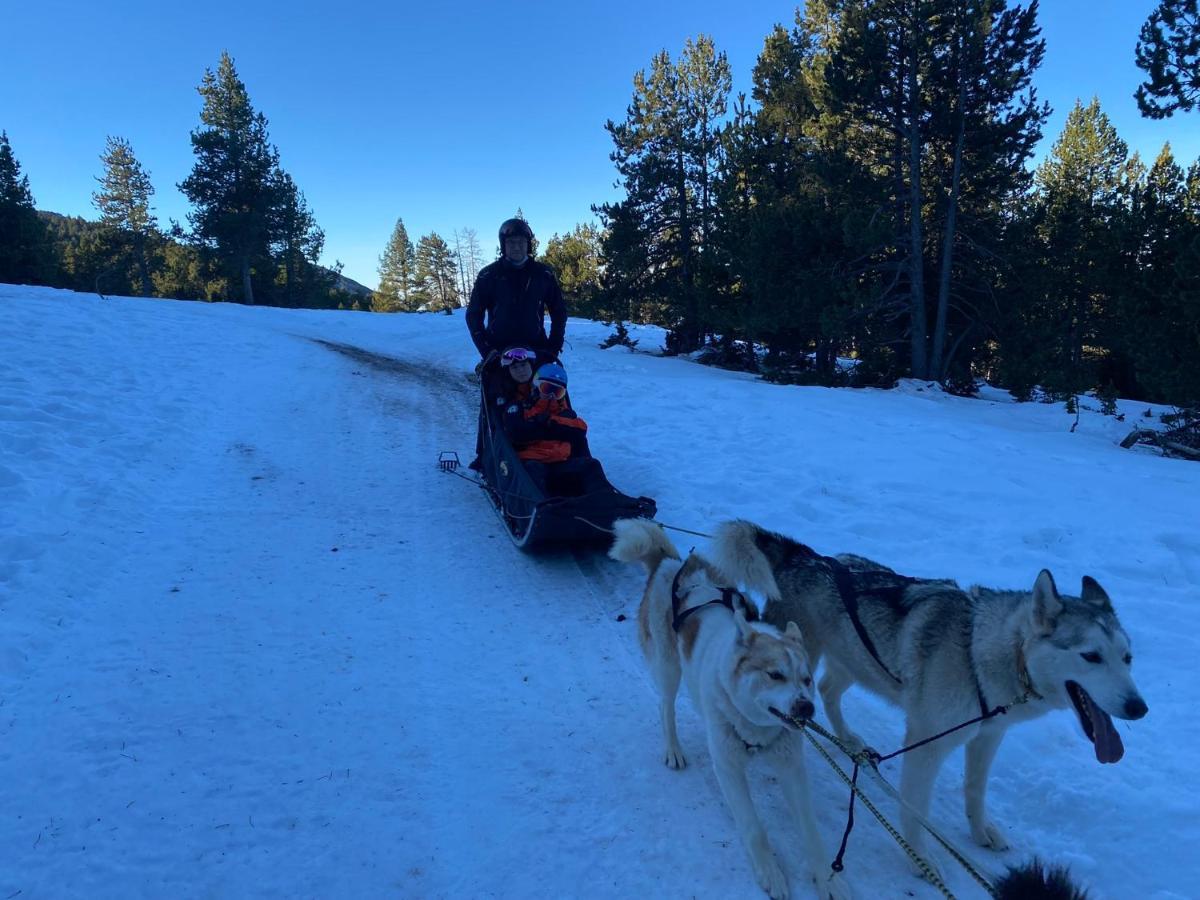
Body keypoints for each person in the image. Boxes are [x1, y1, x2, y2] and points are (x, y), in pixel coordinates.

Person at [466, 218, 567, 363]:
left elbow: (559, 311)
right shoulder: (488, 275)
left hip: (537, 350)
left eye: (521, 242)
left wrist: (553, 347)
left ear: (528, 244)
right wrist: (486, 349)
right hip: (498, 352)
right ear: (503, 245)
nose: (516, 247)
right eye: (511, 242)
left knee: (551, 385)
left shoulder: (543, 274)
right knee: (496, 386)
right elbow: (473, 315)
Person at [504, 362, 608, 497]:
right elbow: (518, 434)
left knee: (591, 465)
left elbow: (580, 430)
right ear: (536, 386)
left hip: (561, 463)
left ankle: (604, 501)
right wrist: (553, 428)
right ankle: (543, 509)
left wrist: (548, 423)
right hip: (533, 462)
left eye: (557, 392)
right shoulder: (519, 408)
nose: (551, 395)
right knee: (533, 470)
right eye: (547, 389)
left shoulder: (563, 412)